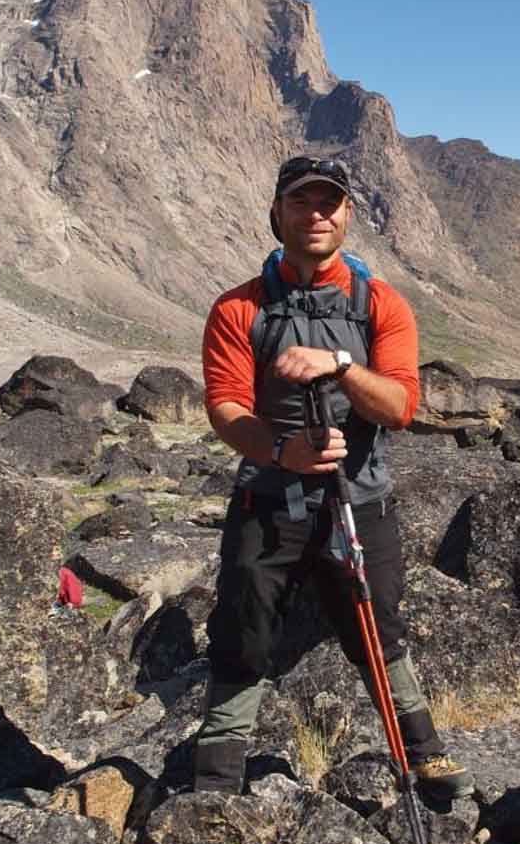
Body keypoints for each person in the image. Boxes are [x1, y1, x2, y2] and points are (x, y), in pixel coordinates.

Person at [195, 155, 472, 799]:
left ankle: (423, 755)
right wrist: (281, 450)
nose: (316, 214)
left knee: (379, 627)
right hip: (269, 498)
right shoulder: (240, 309)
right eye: (301, 202)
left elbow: (400, 407)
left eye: (329, 203)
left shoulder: (380, 304)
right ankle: (215, 778)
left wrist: (341, 364)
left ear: (347, 215)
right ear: (277, 214)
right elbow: (226, 406)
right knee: (244, 627)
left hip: (360, 498)